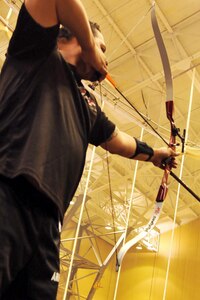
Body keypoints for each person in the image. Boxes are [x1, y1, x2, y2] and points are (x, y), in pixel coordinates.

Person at [0, 0, 178, 299]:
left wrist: (155, 154)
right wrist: (91, 48)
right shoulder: (38, 52)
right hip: (9, 192)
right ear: (65, 38)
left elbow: (118, 141)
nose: (104, 58)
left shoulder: (89, 103)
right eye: (102, 48)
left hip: (48, 222)